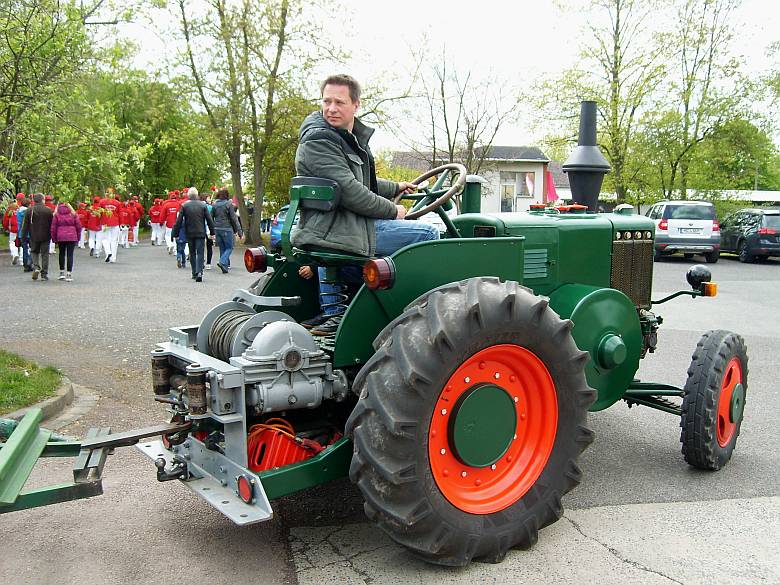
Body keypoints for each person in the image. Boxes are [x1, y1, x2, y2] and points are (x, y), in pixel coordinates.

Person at [291, 74, 438, 334]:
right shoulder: (321, 140)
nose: (331, 108)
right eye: (327, 101)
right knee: (428, 233)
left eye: (339, 102)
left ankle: (344, 306)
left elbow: (357, 180)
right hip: (336, 229)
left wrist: (395, 187)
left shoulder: (340, 137)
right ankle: (404, 314)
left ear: (356, 105)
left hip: (333, 225)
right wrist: (394, 210)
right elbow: (351, 192)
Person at [172, 187, 214, 282]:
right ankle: (200, 272)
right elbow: (209, 220)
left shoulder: (184, 206)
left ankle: (194, 272)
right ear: (197, 195)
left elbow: (179, 221)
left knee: (192, 252)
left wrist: (176, 233)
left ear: (188, 196)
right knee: (200, 252)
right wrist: (212, 232)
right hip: (201, 232)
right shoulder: (203, 205)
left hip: (189, 232)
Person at [20, 193, 54, 281]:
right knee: (45, 254)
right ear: (42, 200)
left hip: (33, 235)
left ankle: (36, 267)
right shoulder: (48, 210)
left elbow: (25, 225)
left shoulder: (29, 210)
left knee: (34, 252)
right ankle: (44, 274)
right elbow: (52, 225)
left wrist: (23, 236)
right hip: (46, 235)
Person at [211, 188, 243, 273]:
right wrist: (238, 231)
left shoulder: (214, 205)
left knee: (222, 247)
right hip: (227, 228)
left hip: (217, 228)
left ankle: (224, 267)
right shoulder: (229, 204)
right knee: (229, 247)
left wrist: (212, 230)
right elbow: (233, 218)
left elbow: (211, 217)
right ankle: (222, 261)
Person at [50, 202, 82, 282]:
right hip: (72, 236)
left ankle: (61, 272)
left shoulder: (57, 215)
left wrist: (54, 238)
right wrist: (78, 237)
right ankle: (69, 274)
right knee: (70, 255)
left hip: (61, 236)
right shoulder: (73, 214)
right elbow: (79, 227)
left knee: (61, 254)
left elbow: (53, 227)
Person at [3, 200, 19, 265]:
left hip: (12, 229)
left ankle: (15, 254)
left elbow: (5, 222)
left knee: (12, 242)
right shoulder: (19, 210)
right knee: (21, 243)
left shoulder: (9, 211)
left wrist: (6, 228)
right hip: (20, 229)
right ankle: (22, 259)